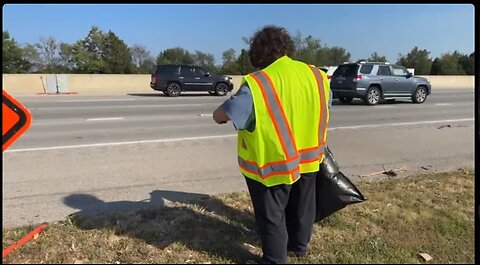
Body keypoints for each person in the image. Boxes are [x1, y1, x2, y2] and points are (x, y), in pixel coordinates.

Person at [212, 25, 331, 264]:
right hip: (309, 156)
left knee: (271, 215)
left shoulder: (260, 82)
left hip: (274, 162)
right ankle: (299, 246)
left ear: (258, 53)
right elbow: (325, 106)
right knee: (303, 204)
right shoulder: (316, 74)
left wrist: (218, 115)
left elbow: (227, 114)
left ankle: (274, 260)